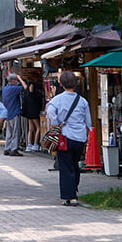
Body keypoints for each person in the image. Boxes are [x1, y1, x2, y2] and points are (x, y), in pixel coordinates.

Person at [47, 71, 92, 205]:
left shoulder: (56, 100)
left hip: (64, 137)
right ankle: (74, 189)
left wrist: (56, 125)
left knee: (66, 166)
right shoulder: (82, 101)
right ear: (76, 83)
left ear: (61, 84)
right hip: (79, 137)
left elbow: (51, 114)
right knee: (75, 164)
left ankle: (70, 196)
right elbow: (88, 121)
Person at [1, 73, 26, 156]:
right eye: (15, 80)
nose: (16, 81)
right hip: (14, 112)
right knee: (15, 132)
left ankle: (7, 148)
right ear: (12, 81)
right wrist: (21, 79)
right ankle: (14, 149)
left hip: (8, 113)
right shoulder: (13, 88)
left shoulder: (5, 89)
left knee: (9, 132)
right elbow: (25, 87)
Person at [24, 75, 46, 152]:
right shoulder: (32, 85)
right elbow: (31, 94)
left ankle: (29, 144)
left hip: (29, 111)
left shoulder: (26, 87)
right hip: (34, 110)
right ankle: (35, 144)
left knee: (31, 129)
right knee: (38, 128)